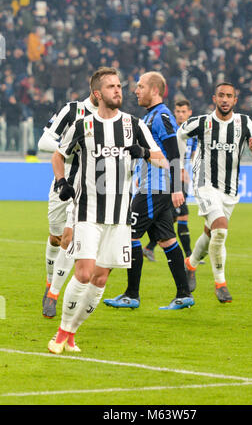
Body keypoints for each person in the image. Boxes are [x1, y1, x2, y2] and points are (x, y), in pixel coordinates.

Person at [48, 67, 165, 354]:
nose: (119, 91)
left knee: (100, 279)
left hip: (121, 217)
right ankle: (61, 333)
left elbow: (163, 159)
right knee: (85, 273)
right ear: (98, 94)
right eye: (112, 87)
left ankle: (71, 334)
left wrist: (144, 153)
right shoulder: (83, 126)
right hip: (88, 212)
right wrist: (62, 181)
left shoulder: (134, 125)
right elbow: (58, 154)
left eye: (120, 86)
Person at [103, 72, 195, 311]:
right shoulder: (152, 116)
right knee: (167, 239)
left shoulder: (162, 116)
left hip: (155, 189)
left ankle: (131, 294)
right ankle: (184, 294)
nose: (136, 90)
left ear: (155, 90)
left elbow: (174, 154)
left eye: (141, 86)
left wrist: (176, 189)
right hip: (152, 187)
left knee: (128, 235)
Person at [177, 82, 252, 302]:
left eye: (229, 96)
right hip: (204, 184)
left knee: (211, 233)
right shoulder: (202, 122)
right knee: (221, 229)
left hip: (230, 189)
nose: (225, 99)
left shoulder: (244, 122)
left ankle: (191, 264)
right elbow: (180, 134)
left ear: (235, 100)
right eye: (221, 96)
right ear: (214, 98)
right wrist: (179, 165)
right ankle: (220, 283)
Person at [38, 92, 99, 318]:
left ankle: (54, 293)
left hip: (89, 188)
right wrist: (69, 146)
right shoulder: (72, 110)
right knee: (55, 237)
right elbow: (43, 141)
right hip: (62, 183)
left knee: (69, 237)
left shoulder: (109, 117)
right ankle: (49, 280)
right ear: (95, 91)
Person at [143, 99, 204, 264]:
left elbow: (190, 156)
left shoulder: (192, 135)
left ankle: (149, 247)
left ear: (190, 113)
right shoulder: (170, 130)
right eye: (178, 111)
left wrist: (188, 170)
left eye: (184, 111)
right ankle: (190, 256)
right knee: (181, 214)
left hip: (181, 179)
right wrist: (181, 170)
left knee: (173, 217)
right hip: (169, 178)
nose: (180, 114)